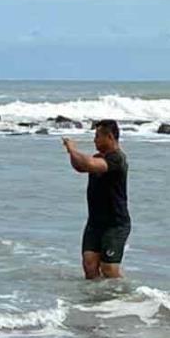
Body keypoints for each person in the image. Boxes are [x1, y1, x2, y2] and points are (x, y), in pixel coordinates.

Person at [63, 119, 131, 279]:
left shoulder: (117, 158)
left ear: (109, 137)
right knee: (89, 265)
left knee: (108, 268)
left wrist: (73, 149)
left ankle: (123, 299)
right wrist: (71, 152)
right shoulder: (97, 157)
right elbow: (81, 166)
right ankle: (96, 301)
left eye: (97, 136)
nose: (94, 140)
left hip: (115, 223)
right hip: (95, 222)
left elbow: (90, 165)